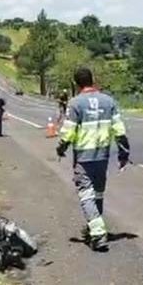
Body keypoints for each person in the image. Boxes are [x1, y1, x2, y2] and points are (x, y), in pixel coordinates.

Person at [56, 68, 131, 251]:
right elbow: (119, 130)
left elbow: (68, 131)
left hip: (84, 157)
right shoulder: (108, 101)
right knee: (97, 194)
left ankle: (97, 234)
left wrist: (61, 147)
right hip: (102, 156)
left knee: (86, 195)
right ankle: (94, 228)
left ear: (76, 83)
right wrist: (124, 154)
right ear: (92, 80)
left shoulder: (75, 103)